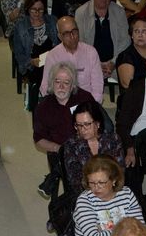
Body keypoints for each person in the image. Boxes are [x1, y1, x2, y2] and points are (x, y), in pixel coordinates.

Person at [32, 63, 97, 199]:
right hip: (60, 151)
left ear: (73, 85)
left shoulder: (84, 98)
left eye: (66, 82)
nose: (61, 86)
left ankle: (53, 177)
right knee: (71, 156)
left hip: (89, 144)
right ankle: (80, 202)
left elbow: (98, 124)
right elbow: (39, 140)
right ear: (51, 82)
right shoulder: (43, 107)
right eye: (57, 81)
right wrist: (59, 148)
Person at [61, 99, 123, 195]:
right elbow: (75, 179)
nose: (82, 129)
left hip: (112, 190)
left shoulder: (112, 139)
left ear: (97, 124)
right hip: (86, 194)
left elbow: (119, 169)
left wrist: (107, 190)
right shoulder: (71, 145)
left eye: (87, 124)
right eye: (78, 125)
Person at [38, 17, 105, 102]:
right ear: (60, 36)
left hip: (85, 102)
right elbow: (45, 86)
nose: (72, 36)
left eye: (74, 31)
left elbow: (97, 85)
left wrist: (93, 105)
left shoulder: (91, 52)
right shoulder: (53, 55)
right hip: (61, 102)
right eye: (66, 33)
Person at [75, 0, 129, 83]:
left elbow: (125, 42)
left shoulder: (119, 12)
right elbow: (80, 44)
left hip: (115, 63)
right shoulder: (81, 13)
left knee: (130, 75)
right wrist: (96, 64)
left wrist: (113, 62)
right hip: (89, 63)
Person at [11, 0, 59, 95]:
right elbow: (19, 54)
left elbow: (61, 45)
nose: (37, 13)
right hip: (32, 67)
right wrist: (31, 61)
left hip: (53, 66)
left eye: (40, 10)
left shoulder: (53, 21)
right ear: (28, 8)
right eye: (34, 9)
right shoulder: (21, 26)